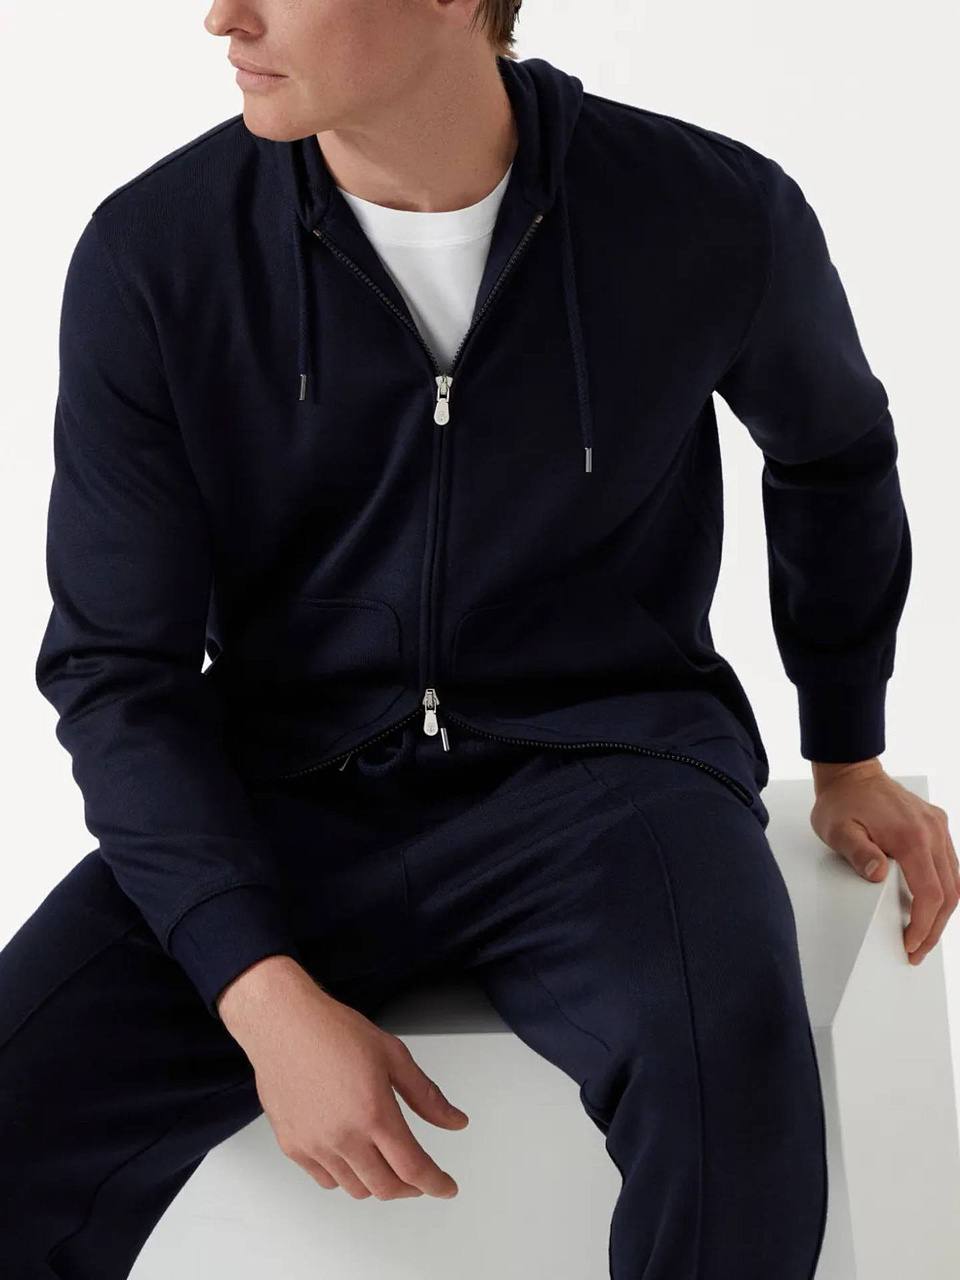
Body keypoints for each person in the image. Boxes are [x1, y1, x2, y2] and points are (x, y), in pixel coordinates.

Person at [1, 2, 954, 1277]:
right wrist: (259, 989)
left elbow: (833, 451)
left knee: (730, 1081)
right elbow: (118, 669)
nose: (224, 15)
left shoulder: (702, 209)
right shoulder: (158, 252)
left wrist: (847, 747)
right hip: (281, 790)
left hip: (607, 776)